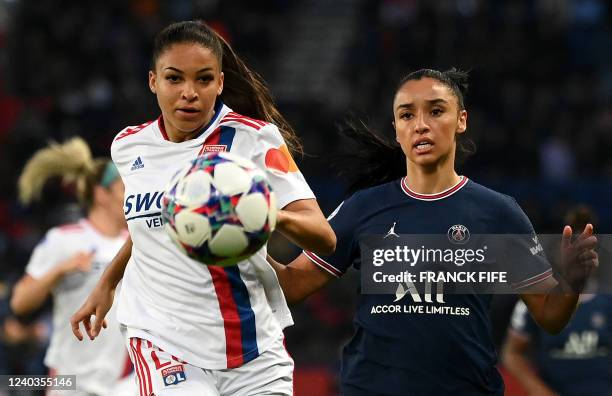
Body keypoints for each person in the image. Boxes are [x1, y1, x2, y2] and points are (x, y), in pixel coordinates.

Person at [267, 69, 599, 395]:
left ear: (461, 120)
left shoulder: (499, 214)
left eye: (436, 111)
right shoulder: (362, 208)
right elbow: (293, 285)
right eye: (407, 115)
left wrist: (571, 281)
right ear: (396, 129)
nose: (421, 124)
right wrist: (240, 242)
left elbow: (549, 316)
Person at [70, 20, 335, 396]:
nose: (189, 93)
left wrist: (258, 212)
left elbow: (323, 237)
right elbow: (153, 225)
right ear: (153, 81)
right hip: (164, 340)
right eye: (174, 79)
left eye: (204, 80)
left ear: (221, 83)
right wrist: (108, 283)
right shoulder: (128, 146)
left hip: (253, 347)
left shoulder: (253, 139)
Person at [10, 137, 134, 396]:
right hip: (72, 382)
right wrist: (59, 270)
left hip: (124, 382)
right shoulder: (65, 239)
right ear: (102, 195)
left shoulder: (137, 244)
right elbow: (20, 302)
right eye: (124, 189)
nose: (132, 196)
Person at [502, 205, 611, 396]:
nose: (580, 252)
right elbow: (511, 354)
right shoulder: (538, 299)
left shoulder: (607, 299)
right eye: (573, 242)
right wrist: (540, 391)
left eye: (586, 243)